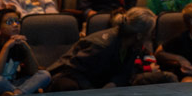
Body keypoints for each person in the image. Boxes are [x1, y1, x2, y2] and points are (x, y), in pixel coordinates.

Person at [48, 7, 176, 91]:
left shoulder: (133, 44)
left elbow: (125, 74)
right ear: (140, 34)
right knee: (68, 86)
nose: (153, 35)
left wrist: (110, 87)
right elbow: (71, 70)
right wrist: (95, 94)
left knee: (166, 77)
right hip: (74, 79)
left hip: (104, 80)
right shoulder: (102, 46)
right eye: (151, 31)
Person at [0, 7, 51, 96]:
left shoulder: (19, 45)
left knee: (44, 74)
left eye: (17, 21)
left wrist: (27, 48)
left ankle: (16, 94)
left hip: (14, 84)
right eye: (9, 22)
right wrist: (6, 47)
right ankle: (22, 94)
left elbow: (33, 71)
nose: (16, 25)